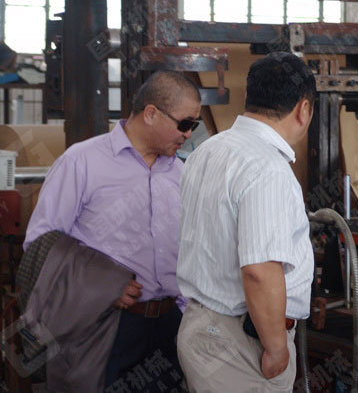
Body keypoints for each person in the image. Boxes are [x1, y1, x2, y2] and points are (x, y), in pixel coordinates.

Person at [24, 70, 202, 392]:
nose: (189, 134)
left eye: (195, 125)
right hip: (105, 324)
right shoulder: (82, 162)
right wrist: (104, 285)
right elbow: (40, 244)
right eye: (185, 124)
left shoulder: (181, 173)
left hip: (170, 325)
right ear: (151, 113)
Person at [177, 51, 316, 393]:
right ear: (304, 109)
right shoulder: (267, 167)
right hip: (242, 340)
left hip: (203, 326)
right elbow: (259, 270)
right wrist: (276, 346)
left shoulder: (207, 151)